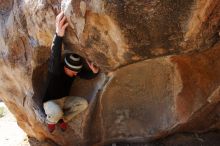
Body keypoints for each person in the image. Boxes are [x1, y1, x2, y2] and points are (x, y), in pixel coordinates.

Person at [42, 11, 99, 133]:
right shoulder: (55, 70)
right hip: (50, 103)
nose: (75, 74)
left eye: (76, 72)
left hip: (64, 101)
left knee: (83, 104)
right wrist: (58, 35)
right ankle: (50, 121)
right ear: (66, 67)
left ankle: (63, 119)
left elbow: (86, 75)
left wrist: (94, 72)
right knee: (56, 112)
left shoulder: (74, 73)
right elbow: (55, 55)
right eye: (73, 71)